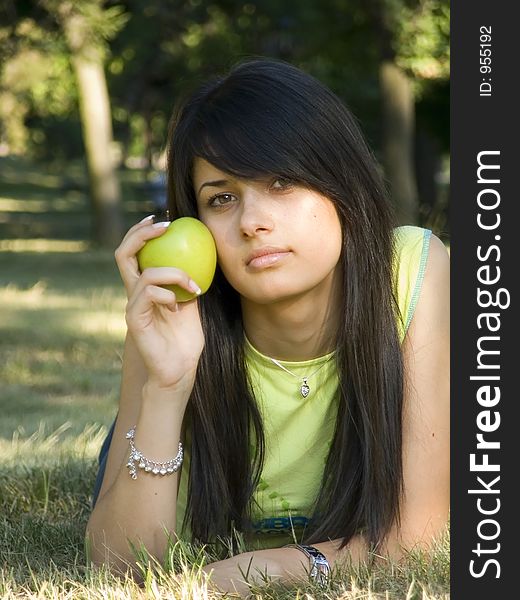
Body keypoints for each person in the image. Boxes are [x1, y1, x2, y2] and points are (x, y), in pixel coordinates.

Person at [87, 58, 450, 595]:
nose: (252, 221)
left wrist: (266, 568)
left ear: (340, 183)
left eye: (281, 181)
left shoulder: (413, 271)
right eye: (222, 197)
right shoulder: (174, 311)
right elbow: (116, 570)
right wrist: (166, 386)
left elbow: (418, 541)